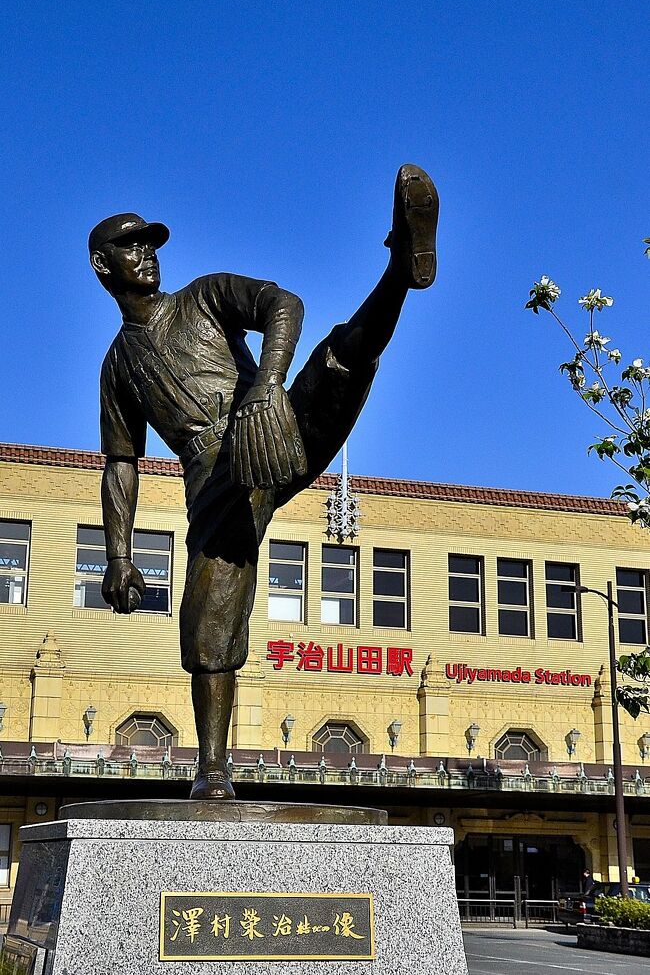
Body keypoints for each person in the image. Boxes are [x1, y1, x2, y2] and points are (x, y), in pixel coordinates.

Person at [91, 165, 439, 799]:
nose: (145, 257)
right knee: (207, 615)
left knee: (340, 359)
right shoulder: (119, 365)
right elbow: (121, 462)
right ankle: (213, 773)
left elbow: (285, 305)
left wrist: (268, 385)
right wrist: (118, 557)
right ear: (101, 265)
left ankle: (402, 266)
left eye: (150, 245)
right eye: (131, 247)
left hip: (273, 422)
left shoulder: (203, 295)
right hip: (219, 477)